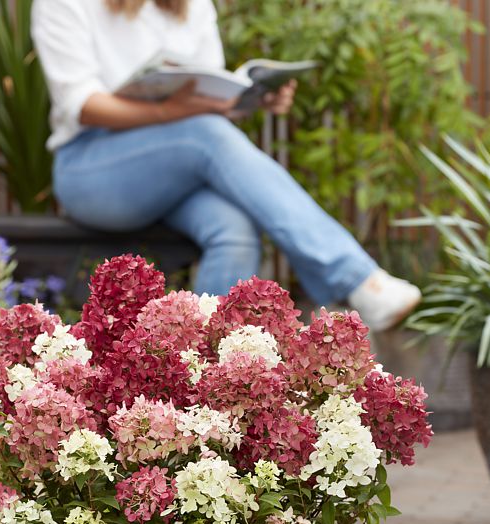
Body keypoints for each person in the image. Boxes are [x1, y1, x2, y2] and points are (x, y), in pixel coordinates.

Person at [31, 0, 421, 329]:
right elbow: (82, 104)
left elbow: (210, 98)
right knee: (203, 132)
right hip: (92, 169)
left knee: (235, 229)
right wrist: (172, 110)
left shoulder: (191, 6)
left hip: (183, 161)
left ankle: (204, 378)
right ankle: (354, 278)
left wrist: (254, 100)